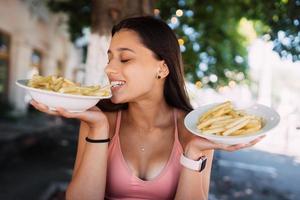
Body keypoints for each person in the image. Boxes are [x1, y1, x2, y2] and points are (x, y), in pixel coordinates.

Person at [30, 16, 264, 200]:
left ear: (162, 69)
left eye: (125, 59)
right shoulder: (99, 119)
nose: (109, 69)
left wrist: (193, 152)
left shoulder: (196, 128)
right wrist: (99, 129)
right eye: (109, 58)